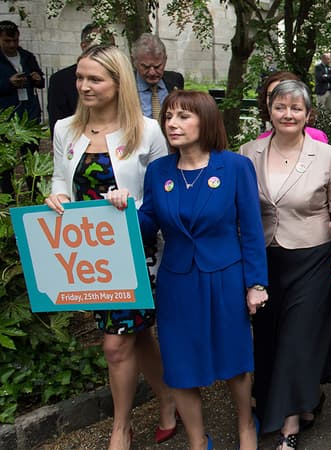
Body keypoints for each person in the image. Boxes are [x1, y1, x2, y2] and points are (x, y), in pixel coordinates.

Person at [108, 90, 266, 450]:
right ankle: (198, 441)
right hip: (177, 280)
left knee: (234, 360)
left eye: (183, 116)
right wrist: (125, 210)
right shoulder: (159, 170)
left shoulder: (235, 166)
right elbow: (148, 223)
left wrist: (256, 283)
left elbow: (252, 229)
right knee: (179, 365)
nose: (173, 124)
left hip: (225, 276)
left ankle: (246, 427)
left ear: (206, 120)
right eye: (169, 117)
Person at [45, 44, 175, 450]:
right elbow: (60, 181)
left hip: (136, 252)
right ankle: (168, 401)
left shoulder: (147, 130)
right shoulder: (65, 128)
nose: (83, 86)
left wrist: (131, 205)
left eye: (94, 79)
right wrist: (58, 198)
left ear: (118, 84)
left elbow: (160, 197)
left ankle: (121, 427)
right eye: (80, 78)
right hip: (89, 256)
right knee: (137, 335)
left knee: (116, 342)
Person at [241, 79, 331, 450]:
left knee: (295, 339)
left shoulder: (327, 155)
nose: (288, 114)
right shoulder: (247, 152)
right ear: (269, 111)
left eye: (296, 108)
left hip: (312, 257)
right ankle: (297, 400)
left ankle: (289, 426)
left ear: (307, 114)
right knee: (267, 337)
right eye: (280, 107)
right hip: (265, 258)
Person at [48, 23, 115, 134]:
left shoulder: (121, 77)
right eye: (99, 47)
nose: (84, 87)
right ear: (84, 46)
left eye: (111, 47)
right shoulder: (61, 80)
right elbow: (57, 122)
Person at [257, 71, 329, 143]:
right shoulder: (260, 142)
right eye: (270, 95)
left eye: (283, 94)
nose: (275, 100)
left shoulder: (315, 137)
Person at [132, 33, 184, 120]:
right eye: (146, 67)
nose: (152, 72)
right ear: (134, 61)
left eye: (157, 66)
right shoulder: (123, 84)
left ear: (165, 60)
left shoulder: (175, 80)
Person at [0, 20, 43, 121]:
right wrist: (9, 83)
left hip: (29, 112)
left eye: (15, 40)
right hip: (5, 116)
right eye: (7, 41)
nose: (12, 44)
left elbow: (41, 82)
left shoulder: (27, 57)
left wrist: (38, 79)